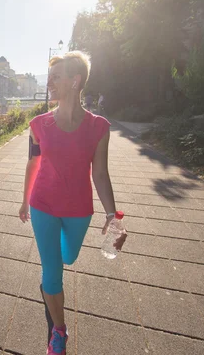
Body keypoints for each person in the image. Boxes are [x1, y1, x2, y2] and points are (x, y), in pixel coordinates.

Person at [18, 51, 124, 355]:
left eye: (56, 76)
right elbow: (32, 164)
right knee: (52, 271)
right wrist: (25, 201)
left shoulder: (99, 127)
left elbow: (101, 173)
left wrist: (112, 215)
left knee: (69, 257)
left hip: (79, 211)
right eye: (49, 76)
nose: (49, 82)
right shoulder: (38, 124)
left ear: (75, 81)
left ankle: (51, 285)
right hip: (43, 206)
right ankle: (59, 332)